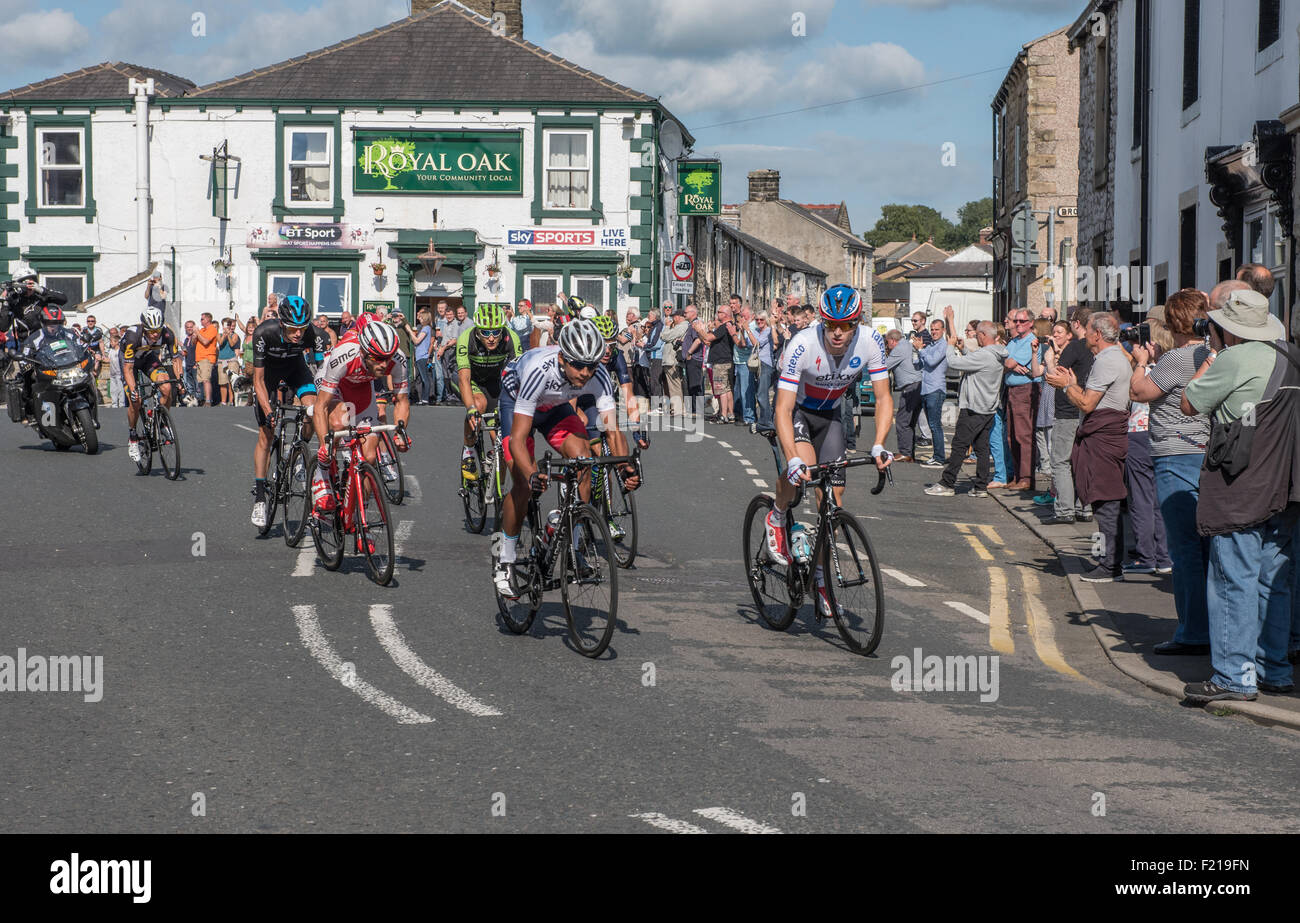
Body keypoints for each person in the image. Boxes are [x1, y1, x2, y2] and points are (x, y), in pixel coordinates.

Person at [1178, 288, 1298, 702]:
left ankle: (1233, 677)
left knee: (1232, 581)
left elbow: (1189, 404)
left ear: (1227, 329)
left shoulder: (1233, 358)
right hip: (1285, 485)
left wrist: (1211, 357)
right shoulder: (1290, 357)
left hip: (1241, 485)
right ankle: (1275, 669)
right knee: (1273, 581)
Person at [764, 284, 894, 617]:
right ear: (821, 320)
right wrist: (791, 456)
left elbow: (882, 399)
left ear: (857, 322)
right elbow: (781, 409)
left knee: (833, 504)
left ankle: (820, 579)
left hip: (831, 416)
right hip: (797, 412)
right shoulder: (803, 344)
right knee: (804, 469)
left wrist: (879, 443)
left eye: (846, 325)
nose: (837, 333)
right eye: (831, 324)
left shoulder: (870, 341)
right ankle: (777, 514)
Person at [492, 319, 640, 598]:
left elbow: (613, 430)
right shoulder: (539, 371)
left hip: (555, 407)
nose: (585, 373)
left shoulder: (598, 377)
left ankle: (571, 547)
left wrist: (624, 468)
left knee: (583, 460)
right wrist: (532, 473)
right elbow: (519, 438)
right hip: (519, 404)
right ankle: (505, 559)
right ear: (562, 358)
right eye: (578, 365)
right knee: (523, 482)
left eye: (591, 365)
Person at [1130, 290, 1213, 652]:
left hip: (1174, 455)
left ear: (1173, 322)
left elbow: (1139, 392)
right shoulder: (1212, 355)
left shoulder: (1177, 358)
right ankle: (1210, 628)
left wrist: (1139, 362)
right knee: (1209, 549)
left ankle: (1193, 633)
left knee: (1185, 550)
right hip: (1206, 454)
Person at [1048, 313, 1131, 581]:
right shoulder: (1108, 358)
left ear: (1096, 334)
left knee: (1104, 501)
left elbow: (1086, 404)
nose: (1084, 335)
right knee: (1099, 501)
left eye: (1087, 330)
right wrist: (1072, 383)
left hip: (1103, 437)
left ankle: (1108, 566)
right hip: (1103, 434)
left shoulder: (1108, 361)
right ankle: (1104, 561)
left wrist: (1066, 387)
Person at [310, 320, 412, 524]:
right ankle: (322, 477)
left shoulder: (397, 359)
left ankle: (359, 516)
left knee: (369, 457)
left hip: (362, 388)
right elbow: (320, 407)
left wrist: (400, 433)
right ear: (364, 352)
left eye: (387, 358)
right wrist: (324, 446)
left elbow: (401, 400)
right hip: (336, 382)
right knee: (339, 423)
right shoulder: (345, 354)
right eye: (378, 358)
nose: (384, 364)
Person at [249, 295, 329, 528]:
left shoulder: (312, 333)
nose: (298, 334)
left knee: (314, 411)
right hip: (269, 375)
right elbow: (259, 380)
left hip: (296, 369)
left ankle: (299, 456)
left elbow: (322, 370)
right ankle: (261, 497)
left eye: (302, 329)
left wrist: (324, 402)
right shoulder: (264, 333)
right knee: (266, 434)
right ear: (282, 324)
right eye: (294, 329)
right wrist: (268, 410)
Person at [923, 313, 1008, 497]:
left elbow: (954, 363)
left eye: (978, 334)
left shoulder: (986, 355)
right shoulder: (997, 353)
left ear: (984, 335)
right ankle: (980, 487)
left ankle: (947, 483)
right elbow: (976, 361)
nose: (976, 336)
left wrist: (950, 346)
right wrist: (964, 350)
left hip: (974, 408)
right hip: (987, 408)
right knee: (982, 448)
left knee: (959, 445)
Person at [456, 301, 522, 480]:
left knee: (499, 433)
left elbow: (519, 376)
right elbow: (464, 379)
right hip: (472, 380)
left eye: (496, 332)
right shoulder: (466, 338)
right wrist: (470, 410)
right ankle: (468, 453)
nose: (491, 338)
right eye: (485, 332)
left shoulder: (511, 338)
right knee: (478, 405)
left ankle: (496, 490)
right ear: (477, 331)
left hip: (495, 382)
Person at [122, 308, 185, 462]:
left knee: (166, 387)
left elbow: (176, 359)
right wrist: (133, 389)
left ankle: (161, 422)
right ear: (144, 327)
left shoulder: (167, 334)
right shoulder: (133, 336)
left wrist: (180, 380)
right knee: (135, 400)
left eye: (157, 330)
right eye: (151, 331)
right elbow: (128, 369)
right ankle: (133, 437)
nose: (155, 334)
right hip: (129, 364)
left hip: (147, 358)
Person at [1002, 308, 1041, 491]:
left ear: (1031, 323)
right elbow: (1001, 361)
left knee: (1023, 435)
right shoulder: (1014, 341)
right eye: (1016, 321)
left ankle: (1026, 478)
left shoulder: (1031, 341)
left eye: (1022, 321)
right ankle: (1018, 475)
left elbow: (1008, 362)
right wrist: (1010, 364)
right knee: (1011, 436)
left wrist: (1011, 364)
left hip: (1025, 390)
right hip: (1012, 389)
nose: (1017, 324)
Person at [884, 327, 923, 461]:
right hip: (918, 385)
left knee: (902, 421)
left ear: (893, 341)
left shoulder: (899, 349)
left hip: (910, 386)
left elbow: (884, 366)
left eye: (887, 342)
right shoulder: (907, 344)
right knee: (910, 422)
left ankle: (905, 453)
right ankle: (909, 453)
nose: (887, 345)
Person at [915, 318, 949, 468]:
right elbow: (919, 363)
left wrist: (921, 350)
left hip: (936, 389)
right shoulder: (931, 345)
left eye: (937, 329)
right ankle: (937, 455)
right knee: (932, 424)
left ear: (943, 331)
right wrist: (918, 350)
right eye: (932, 329)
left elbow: (932, 361)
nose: (934, 332)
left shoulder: (943, 345)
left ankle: (939, 457)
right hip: (926, 388)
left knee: (935, 425)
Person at [696, 305, 737, 423]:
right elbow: (708, 341)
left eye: (719, 312)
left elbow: (709, 337)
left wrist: (699, 329)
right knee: (728, 388)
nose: (717, 314)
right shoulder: (729, 326)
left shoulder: (724, 327)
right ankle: (730, 413)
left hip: (721, 362)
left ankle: (723, 415)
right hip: (726, 360)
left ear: (725, 314)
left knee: (721, 389)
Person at [659, 308, 687, 417]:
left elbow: (665, 336)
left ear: (678, 317)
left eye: (674, 317)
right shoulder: (678, 327)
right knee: (673, 386)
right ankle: (676, 408)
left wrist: (666, 327)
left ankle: (678, 410)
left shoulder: (682, 326)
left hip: (672, 360)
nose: (672, 319)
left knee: (674, 386)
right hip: (671, 359)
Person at [681, 304, 705, 410]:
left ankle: (698, 409)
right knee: (691, 385)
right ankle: (693, 409)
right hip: (690, 359)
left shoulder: (696, 324)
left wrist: (689, 352)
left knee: (695, 385)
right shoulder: (690, 325)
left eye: (686, 312)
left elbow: (698, 340)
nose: (684, 314)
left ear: (693, 313)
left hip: (694, 359)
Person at [411, 307, 435, 404]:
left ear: (424, 318)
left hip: (422, 357)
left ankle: (425, 399)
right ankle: (423, 399)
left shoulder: (426, 328)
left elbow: (417, 341)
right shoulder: (427, 328)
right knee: (421, 378)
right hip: (420, 356)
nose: (419, 319)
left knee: (425, 378)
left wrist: (409, 331)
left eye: (420, 318)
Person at [194, 312, 218, 406]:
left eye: (202, 319)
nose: (201, 321)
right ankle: (203, 399)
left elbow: (205, 341)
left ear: (208, 320)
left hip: (207, 358)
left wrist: (197, 333)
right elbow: (193, 343)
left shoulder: (212, 329)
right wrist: (195, 335)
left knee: (206, 380)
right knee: (201, 381)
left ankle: (208, 400)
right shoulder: (202, 330)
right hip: (199, 359)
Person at [217, 317, 242, 405]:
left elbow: (232, 344)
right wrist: (224, 334)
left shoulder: (235, 335)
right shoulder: (219, 334)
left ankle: (231, 401)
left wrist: (228, 335)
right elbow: (220, 342)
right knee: (222, 382)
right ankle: (223, 401)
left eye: (228, 325)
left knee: (231, 382)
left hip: (231, 360)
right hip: (222, 360)